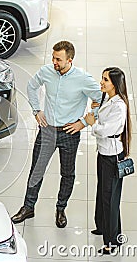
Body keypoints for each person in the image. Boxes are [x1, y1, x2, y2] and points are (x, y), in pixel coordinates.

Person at [11, 41, 102, 227]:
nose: (54, 62)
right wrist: (36, 110)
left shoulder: (83, 79)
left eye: (58, 59)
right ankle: (28, 207)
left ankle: (61, 209)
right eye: (53, 58)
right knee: (36, 170)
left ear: (70, 60)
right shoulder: (46, 71)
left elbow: (103, 99)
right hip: (47, 131)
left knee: (67, 173)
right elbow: (31, 85)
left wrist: (83, 122)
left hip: (69, 133)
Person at [84, 67, 131, 254]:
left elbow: (105, 130)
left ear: (115, 84)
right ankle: (102, 226)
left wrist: (92, 123)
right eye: (102, 78)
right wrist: (97, 109)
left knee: (110, 198)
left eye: (106, 80)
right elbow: (103, 113)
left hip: (112, 156)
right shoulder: (108, 99)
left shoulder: (119, 106)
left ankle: (112, 242)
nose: (101, 82)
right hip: (103, 153)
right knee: (102, 193)